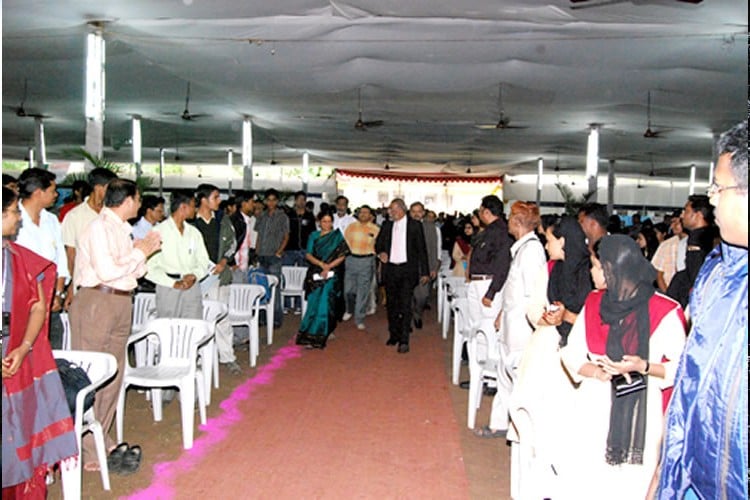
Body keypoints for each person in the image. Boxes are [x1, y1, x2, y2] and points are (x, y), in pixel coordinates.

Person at [655, 121, 747, 500]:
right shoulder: (717, 271)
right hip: (693, 475)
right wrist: (666, 472)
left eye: (718, 188)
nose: (711, 199)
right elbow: (690, 386)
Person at [559, 235, 687, 499]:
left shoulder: (664, 310)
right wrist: (595, 371)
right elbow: (571, 352)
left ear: (612, 269)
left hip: (640, 410)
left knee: (628, 485)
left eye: (596, 266)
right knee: (587, 479)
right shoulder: (594, 302)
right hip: (593, 404)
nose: (592, 273)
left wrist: (644, 365)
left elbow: (682, 369)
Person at [68, 179, 161, 474]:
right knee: (89, 374)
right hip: (97, 301)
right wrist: (139, 252)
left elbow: (137, 269)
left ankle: (101, 435)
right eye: (138, 198)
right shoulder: (99, 228)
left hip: (121, 300)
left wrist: (139, 253)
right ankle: (85, 445)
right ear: (128, 200)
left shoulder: (123, 229)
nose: (139, 203)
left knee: (113, 374)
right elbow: (108, 271)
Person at [2, 187, 78, 498]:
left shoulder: (19, 260)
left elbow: (37, 305)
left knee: (19, 433)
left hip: (15, 355)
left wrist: (24, 347)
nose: (18, 218)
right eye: (12, 212)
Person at [475, 202, 546, 439]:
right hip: (510, 324)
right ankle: (499, 423)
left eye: (511, 219)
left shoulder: (532, 251)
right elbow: (512, 290)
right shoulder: (521, 249)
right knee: (503, 375)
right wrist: (501, 314)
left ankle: (520, 430)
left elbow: (534, 295)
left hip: (521, 329)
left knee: (517, 379)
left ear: (517, 222)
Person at [14, 168, 69, 349]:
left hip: (50, 297)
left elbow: (60, 259)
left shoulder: (51, 220)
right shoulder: (11, 219)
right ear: (39, 192)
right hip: (21, 300)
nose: (56, 195)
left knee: (51, 349)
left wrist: (58, 293)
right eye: (53, 190)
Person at [190, 184, 240, 374]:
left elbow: (232, 243)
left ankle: (227, 356)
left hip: (220, 275)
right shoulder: (191, 221)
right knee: (198, 318)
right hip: (198, 278)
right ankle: (199, 358)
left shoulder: (222, 220)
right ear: (203, 200)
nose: (219, 201)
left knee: (222, 317)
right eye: (216, 197)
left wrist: (224, 261)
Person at [146, 190, 211, 320]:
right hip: (168, 288)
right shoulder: (158, 232)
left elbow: (204, 261)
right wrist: (173, 283)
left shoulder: (194, 233)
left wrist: (194, 275)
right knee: (169, 330)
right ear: (183, 207)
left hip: (192, 287)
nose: (195, 210)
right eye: (193, 206)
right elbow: (150, 267)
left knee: (193, 328)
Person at [374, 198, 429, 354]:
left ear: (401, 210)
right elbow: (378, 244)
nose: (391, 212)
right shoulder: (386, 225)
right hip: (390, 270)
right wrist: (381, 253)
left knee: (405, 305)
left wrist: (424, 271)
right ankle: (394, 334)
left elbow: (422, 250)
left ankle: (404, 340)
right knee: (391, 304)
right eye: (390, 210)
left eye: (393, 209)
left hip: (407, 270)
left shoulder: (415, 225)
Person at [61, 167, 118, 298]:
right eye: (111, 188)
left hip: (111, 286)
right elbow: (71, 254)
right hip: (85, 285)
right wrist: (71, 284)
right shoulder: (74, 216)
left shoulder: (113, 214)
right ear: (99, 188)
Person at [295, 212, 349, 349]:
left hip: (331, 274)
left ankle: (324, 332)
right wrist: (321, 265)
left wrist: (329, 267)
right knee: (314, 302)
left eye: (329, 221)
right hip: (316, 272)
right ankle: (309, 332)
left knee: (326, 303)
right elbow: (308, 254)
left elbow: (342, 256)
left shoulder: (337, 236)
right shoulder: (313, 235)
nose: (327, 224)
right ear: (319, 222)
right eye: (324, 221)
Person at [465, 195, 512, 340]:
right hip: (478, 281)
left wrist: (491, 292)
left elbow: (502, 264)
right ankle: (478, 359)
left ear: (486, 212)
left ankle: (487, 359)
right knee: (476, 325)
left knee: (488, 325)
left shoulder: (501, 232)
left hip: (488, 283)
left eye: (480, 211)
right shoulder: (488, 231)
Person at [542, 215, 593, 347]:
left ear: (562, 242)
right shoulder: (558, 268)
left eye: (548, 241)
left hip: (582, 343)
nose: (546, 247)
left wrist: (566, 315)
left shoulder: (588, 271)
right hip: (558, 337)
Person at [665, 195, 716, 308]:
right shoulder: (711, 235)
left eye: (686, 211)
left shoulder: (697, 238)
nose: (682, 215)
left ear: (698, 215)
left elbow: (695, 275)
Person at [254, 188, 289, 329]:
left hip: (274, 256)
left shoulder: (282, 217)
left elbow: (286, 236)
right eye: (268, 200)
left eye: (274, 200)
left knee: (275, 289)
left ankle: (275, 319)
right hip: (261, 255)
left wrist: (279, 252)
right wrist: (256, 252)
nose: (271, 202)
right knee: (261, 288)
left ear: (277, 201)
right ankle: (262, 317)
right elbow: (258, 235)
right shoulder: (261, 216)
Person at [342, 205, 380, 330]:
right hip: (351, 260)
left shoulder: (375, 229)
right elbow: (344, 244)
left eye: (366, 212)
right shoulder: (351, 227)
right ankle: (349, 309)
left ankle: (359, 318)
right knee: (348, 289)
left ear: (370, 216)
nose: (363, 214)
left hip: (366, 261)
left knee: (363, 291)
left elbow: (379, 246)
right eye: (361, 212)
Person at [410, 201, 441, 331]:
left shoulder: (434, 228)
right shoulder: (403, 226)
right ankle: (408, 318)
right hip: (407, 268)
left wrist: (434, 268)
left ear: (423, 213)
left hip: (425, 268)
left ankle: (417, 313)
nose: (417, 214)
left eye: (419, 211)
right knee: (406, 296)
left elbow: (437, 249)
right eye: (414, 211)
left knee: (422, 296)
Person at [651, 213, 687, 292]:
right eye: (672, 223)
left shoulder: (693, 243)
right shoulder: (666, 245)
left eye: (676, 223)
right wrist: (667, 295)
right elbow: (659, 275)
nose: (672, 226)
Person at [283, 190, 316, 268]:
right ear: (295, 201)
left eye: (303, 200)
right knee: (287, 272)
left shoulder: (309, 216)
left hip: (305, 250)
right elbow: (284, 232)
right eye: (299, 199)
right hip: (290, 249)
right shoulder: (289, 215)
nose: (301, 202)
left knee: (304, 272)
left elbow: (313, 233)